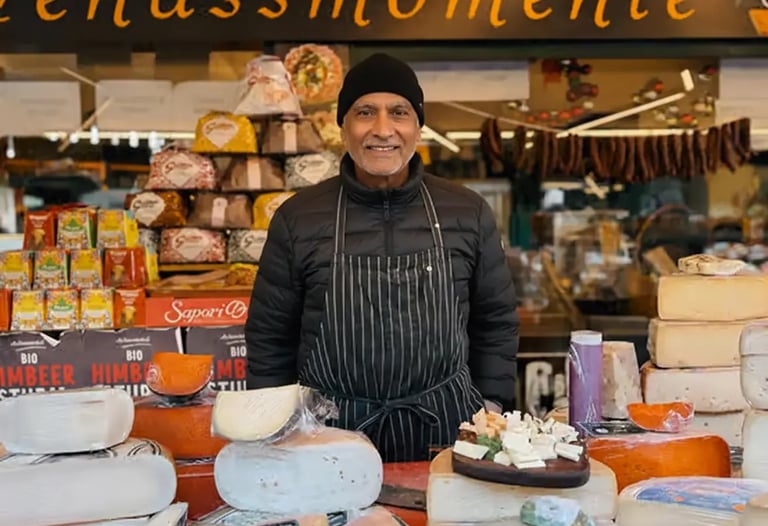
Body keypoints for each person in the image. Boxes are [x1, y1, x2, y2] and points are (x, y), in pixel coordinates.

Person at [245, 53, 519, 462]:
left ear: (417, 127)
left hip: (447, 428)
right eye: (365, 112)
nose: (382, 130)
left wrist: (492, 406)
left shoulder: (467, 211)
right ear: (344, 127)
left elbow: (495, 320)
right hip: (330, 433)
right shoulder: (298, 218)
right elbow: (270, 337)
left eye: (399, 112)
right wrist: (276, 431)